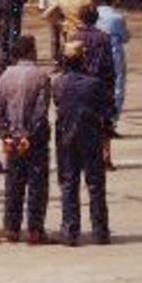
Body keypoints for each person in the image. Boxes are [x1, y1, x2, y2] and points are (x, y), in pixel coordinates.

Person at [52, 40, 112, 245]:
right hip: (91, 136)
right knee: (95, 184)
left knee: (69, 183)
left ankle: (70, 230)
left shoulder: (59, 83)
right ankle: (100, 231)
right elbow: (107, 109)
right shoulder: (94, 83)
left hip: (67, 136)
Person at [0, 34, 53, 243]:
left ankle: (11, 228)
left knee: (13, 184)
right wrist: (29, 135)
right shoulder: (41, 77)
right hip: (34, 139)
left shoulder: (4, 77)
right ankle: (35, 230)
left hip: (12, 137)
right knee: (37, 184)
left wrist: (5, 135)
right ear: (31, 51)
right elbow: (40, 111)